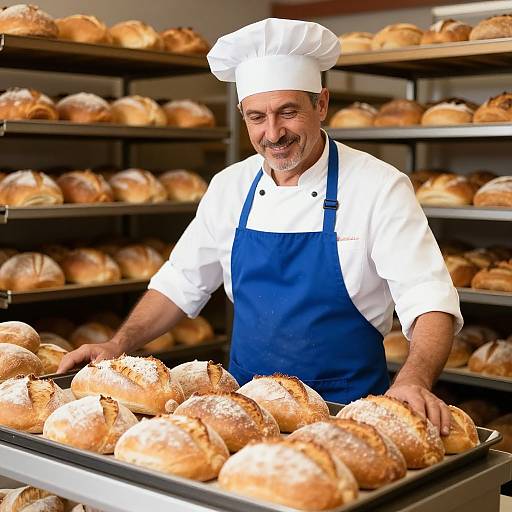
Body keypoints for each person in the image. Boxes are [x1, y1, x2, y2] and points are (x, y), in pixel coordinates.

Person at [59, 18, 462, 436]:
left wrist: (413, 380)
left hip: (348, 414)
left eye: (288, 112)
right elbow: (180, 283)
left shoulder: (379, 186)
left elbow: (427, 298)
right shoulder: (230, 186)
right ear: (242, 115)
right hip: (243, 414)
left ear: (321, 104)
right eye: (257, 117)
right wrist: (116, 345)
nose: (273, 134)